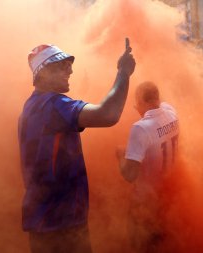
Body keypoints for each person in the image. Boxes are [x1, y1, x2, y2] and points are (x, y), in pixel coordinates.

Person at [18, 41, 135, 253]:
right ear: (42, 74)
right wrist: (124, 72)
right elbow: (108, 114)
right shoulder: (53, 105)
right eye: (61, 65)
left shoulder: (31, 106)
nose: (70, 69)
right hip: (61, 226)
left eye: (68, 64)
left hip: (44, 223)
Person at [116, 81, 179, 252]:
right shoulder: (172, 114)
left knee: (142, 246)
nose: (136, 108)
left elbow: (130, 175)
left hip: (145, 203)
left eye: (137, 104)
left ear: (142, 101)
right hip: (168, 196)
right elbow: (163, 105)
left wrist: (121, 155)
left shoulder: (141, 128)